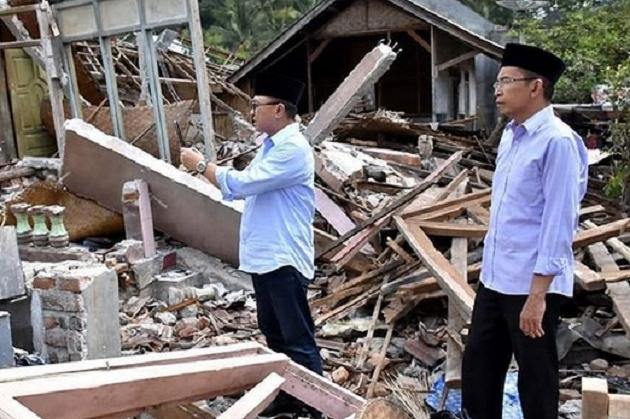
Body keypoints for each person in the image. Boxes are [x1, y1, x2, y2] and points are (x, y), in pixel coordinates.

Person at [180, 73, 322, 416]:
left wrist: (201, 166)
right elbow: (246, 187)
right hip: (266, 257)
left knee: (297, 339)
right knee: (274, 334)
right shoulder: (271, 146)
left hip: (283, 258)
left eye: (256, 105)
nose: (251, 112)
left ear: (278, 110)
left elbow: (243, 184)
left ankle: (315, 406)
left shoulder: (292, 149)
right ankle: (288, 398)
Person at [461, 43, 589, 419]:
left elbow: (559, 221)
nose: (497, 90)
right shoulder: (511, 134)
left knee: (535, 378)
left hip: (532, 284)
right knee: (479, 369)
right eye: (497, 82)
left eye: (506, 81)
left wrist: (537, 295)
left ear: (536, 87)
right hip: (496, 277)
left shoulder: (558, 142)